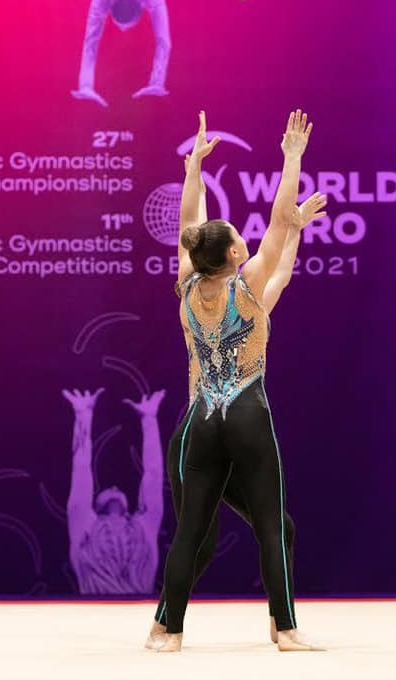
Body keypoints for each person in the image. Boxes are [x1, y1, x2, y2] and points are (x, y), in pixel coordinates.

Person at [154, 109, 323, 652]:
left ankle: (169, 632)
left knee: (191, 532)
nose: (246, 238)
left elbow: (193, 229)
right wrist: (292, 158)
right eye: (236, 236)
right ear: (232, 253)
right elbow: (276, 221)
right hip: (247, 417)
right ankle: (287, 629)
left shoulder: (186, 285)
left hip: (202, 419)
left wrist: (193, 172)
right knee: (272, 526)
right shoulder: (247, 286)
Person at [62, 386, 165, 594]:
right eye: (108, 488)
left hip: (139, 606)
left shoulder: (144, 526)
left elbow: (154, 476)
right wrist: (83, 415)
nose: (115, 487)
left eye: (117, 488)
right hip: (96, 609)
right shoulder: (84, 525)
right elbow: (81, 470)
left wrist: (149, 420)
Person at [71, 0, 171, 106]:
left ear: (141, 5)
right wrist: (156, 83)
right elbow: (163, 41)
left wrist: (86, 86)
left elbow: (91, 42)